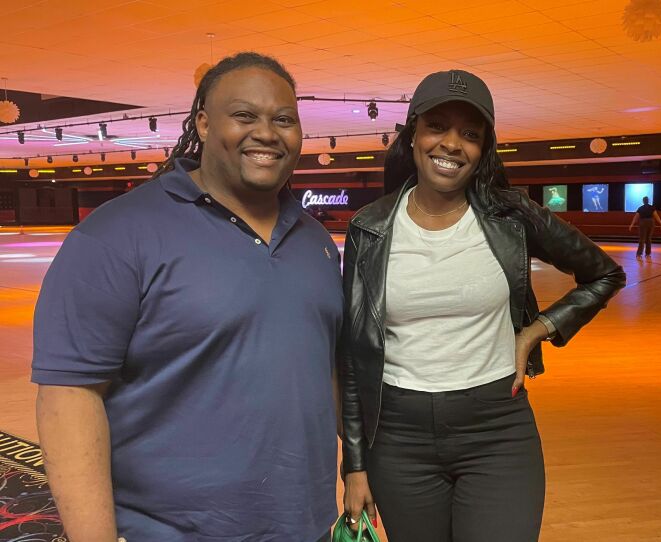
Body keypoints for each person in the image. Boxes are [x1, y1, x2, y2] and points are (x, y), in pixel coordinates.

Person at [32, 52, 341, 542]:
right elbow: (69, 395)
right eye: (244, 115)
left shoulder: (315, 242)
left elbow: (324, 372)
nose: (267, 132)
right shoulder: (115, 234)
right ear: (202, 121)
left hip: (304, 527)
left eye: (284, 119)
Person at [338, 70, 626, 542]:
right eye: (437, 127)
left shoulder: (512, 215)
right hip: (397, 437)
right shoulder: (369, 227)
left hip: (496, 428)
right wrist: (354, 467)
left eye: (470, 134)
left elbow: (604, 273)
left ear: (484, 148)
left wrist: (540, 329)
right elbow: (354, 353)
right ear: (413, 133)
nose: (452, 144)